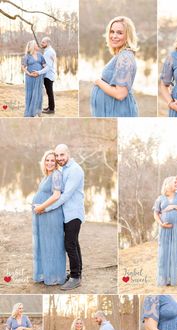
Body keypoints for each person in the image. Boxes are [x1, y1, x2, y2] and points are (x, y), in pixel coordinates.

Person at [35, 144, 85, 291]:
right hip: (67, 213)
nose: (58, 159)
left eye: (61, 155)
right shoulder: (65, 169)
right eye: (57, 156)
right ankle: (77, 273)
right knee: (74, 243)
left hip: (73, 213)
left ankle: (75, 277)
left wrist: (45, 208)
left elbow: (65, 196)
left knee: (69, 244)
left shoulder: (75, 170)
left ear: (68, 154)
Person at [91, 16, 139, 117]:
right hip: (111, 110)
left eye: (119, 33)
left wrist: (98, 82)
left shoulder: (125, 57)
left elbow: (120, 94)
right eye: (112, 31)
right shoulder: (120, 55)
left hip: (117, 110)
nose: (114, 36)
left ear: (128, 36)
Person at [32, 150, 66, 285]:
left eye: (53, 160)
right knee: (44, 244)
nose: (50, 163)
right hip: (43, 215)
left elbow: (56, 195)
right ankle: (46, 274)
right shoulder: (47, 175)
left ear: (56, 163)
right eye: (47, 160)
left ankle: (54, 276)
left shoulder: (56, 174)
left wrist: (41, 207)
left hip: (51, 214)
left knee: (52, 244)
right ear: (43, 161)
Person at [153, 176, 177, 286]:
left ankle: (172, 279)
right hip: (164, 229)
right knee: (163, 253)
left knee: (175, 253)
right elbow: (156, 213)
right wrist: (161, 224)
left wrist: (174, 206)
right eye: (175, 182)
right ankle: (164, 279)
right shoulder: (160, 198)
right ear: (167, 183)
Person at [32, 37, 56, 114]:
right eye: (41, 42)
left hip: (48, 75)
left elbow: (48, 67)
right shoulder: (49, 51)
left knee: (50, 92)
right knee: (49, 92)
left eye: (43, 42)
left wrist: (38, 72)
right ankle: (50, 107)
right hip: (49, 74)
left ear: (47, 43)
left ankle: (51, 109)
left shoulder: (48, 52)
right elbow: (47, 64)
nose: (41, 44)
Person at [22, 40, 46, 117]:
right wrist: (29, 74)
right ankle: (30, 111)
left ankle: (38, 110)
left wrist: (42, 71)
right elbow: (23, 67)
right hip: (30, 78)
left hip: (39, 77)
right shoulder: (26, 56)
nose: (37, 45)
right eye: (36, 44)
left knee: (39, 93)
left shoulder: (40, 55)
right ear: (33, 46)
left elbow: (44, 65)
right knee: (31, 94)